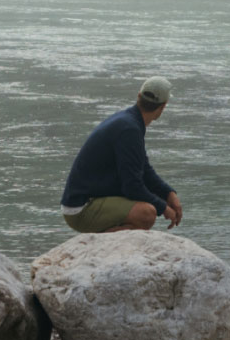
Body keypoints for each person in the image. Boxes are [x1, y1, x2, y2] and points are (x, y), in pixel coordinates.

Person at [60, 77, 184, 233]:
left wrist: (168, 193)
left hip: (86, 201)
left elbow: (144, 169)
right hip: (81, 208)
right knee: (146, 214)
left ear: (139, 96)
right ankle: (101, 244)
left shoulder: (128, 121)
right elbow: (132, 187)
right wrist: (164, 208)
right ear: (163, 107)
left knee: (147, 207)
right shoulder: (129, 129)